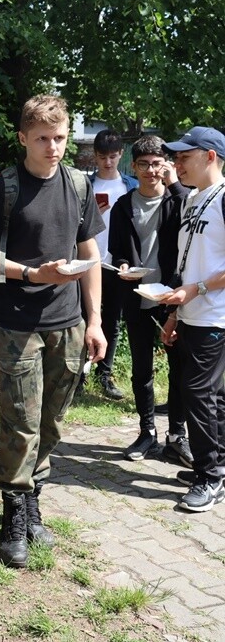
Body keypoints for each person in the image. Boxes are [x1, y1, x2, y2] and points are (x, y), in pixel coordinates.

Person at [0, 94, 106, 568]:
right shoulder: (4, 189)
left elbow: (89, 252)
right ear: (23, 137)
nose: (53, 147)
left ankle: (33, 502)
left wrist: (96, 320)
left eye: (60, 138)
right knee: (20, 424)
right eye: (43, 138)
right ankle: (14, 512)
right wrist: (31, 274)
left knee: (51, 421)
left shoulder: (79, 185)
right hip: (17, 324)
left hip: (67, 323)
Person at [107, 136, 190, 464]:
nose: (150, 170)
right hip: (137, 294)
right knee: (142, 368)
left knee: (178, 367)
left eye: (157, 164)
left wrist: (174, 182)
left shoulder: (179, 202)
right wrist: (125, 267)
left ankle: (176, 435)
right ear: (134, 166)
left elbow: (190, 228)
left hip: (172, 296)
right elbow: (119, 252)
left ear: (166, 165)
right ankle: (146, 433)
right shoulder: (124, 205)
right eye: (144, 164)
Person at [158, 126, 225, 512]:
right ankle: (214, 464)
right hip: (192, 314)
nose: (177, 163)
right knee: (207, 395)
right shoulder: (193, 200)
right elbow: (187, 265)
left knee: (199, 394)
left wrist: (196, 291)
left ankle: (210, 477)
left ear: (210, 157)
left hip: (215, 316)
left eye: (185, 156)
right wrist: (175, 314)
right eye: (177, 157)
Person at [86, 129, 139, 400]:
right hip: (87, 263)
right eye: (102, 157)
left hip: (118, 264)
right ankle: (79, 376)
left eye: (113, 156)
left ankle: (103, 376)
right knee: (84, 318)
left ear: (121, 156)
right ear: (95, 157)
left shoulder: (130, 186)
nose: (108, 162)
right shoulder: (85, 185)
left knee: (112, 321)